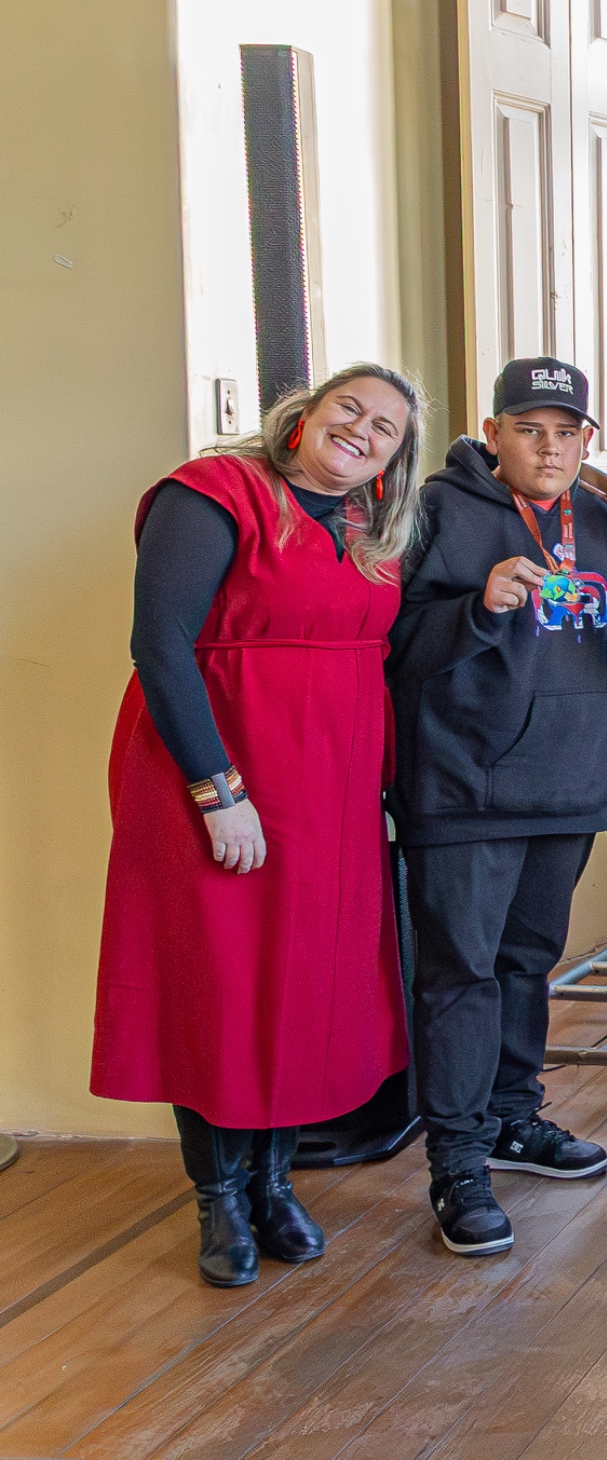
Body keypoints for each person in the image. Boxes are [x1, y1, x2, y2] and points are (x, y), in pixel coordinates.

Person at [93, 366, 425, 1287]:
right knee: (218, 985)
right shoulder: (213, 493)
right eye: (349, 408)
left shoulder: (369, 528)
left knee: (300, 988)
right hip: (218, 777)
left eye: (386, 428)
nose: (362, 431)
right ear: (305, 414)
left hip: (328, 796)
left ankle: (275, 1185)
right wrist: (216, 789)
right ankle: (220, 1199)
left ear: (396, 458)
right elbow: (160, 644)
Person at [390, 358, 607, 1257]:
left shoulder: (595, 517)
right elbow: (394, 647)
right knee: (461, 973)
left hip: (567, 786)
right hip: (465, 788)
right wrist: (478, 608)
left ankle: (511, 1118)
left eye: (567, 433)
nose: (550, 448)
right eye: (530, 430)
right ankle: (456, 1160)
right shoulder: (437, 511)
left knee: (529, 964)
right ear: (493, 434)